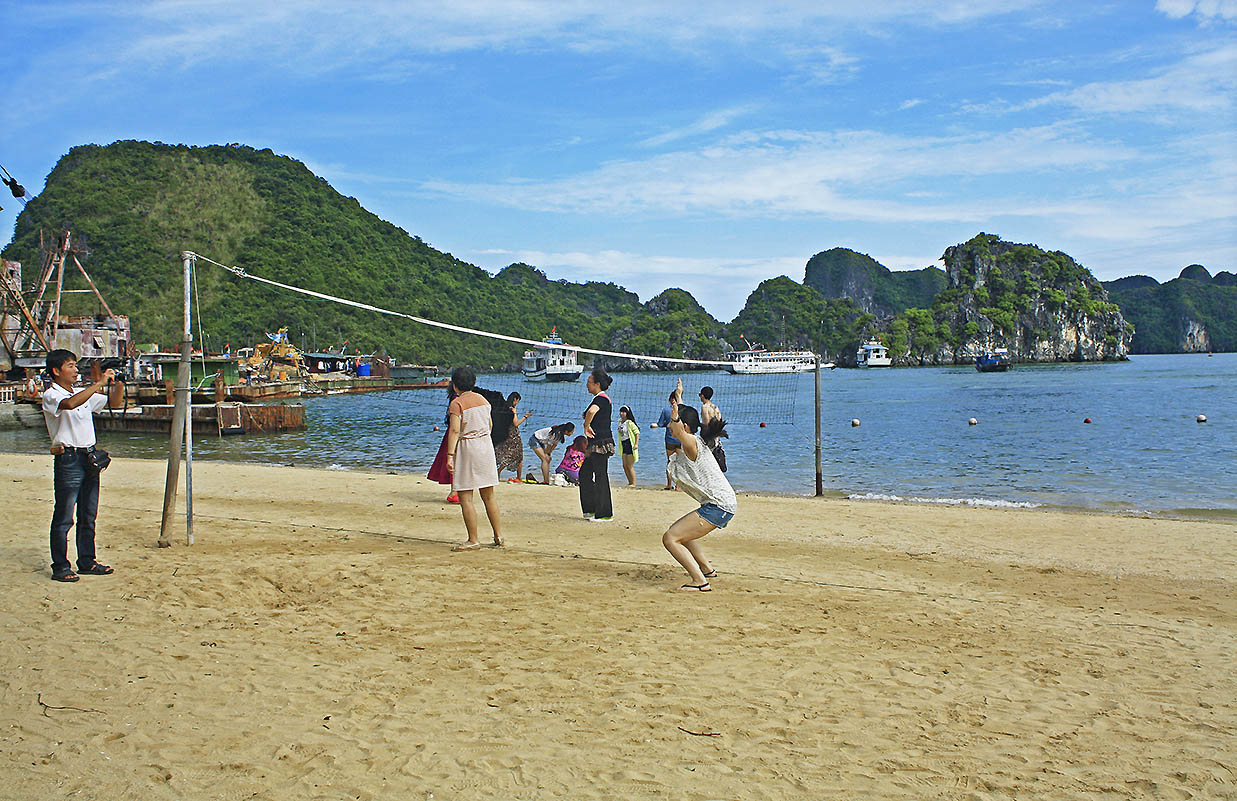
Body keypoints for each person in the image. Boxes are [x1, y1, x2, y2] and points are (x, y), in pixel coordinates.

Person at [41, 349, 117, 582]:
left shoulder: (81, 392)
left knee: (88, 514)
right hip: (69, 459)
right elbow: (71, 404)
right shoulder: (52, 395)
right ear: (56, 371)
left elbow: (114, 402)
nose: (76, 370)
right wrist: (98, 383)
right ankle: (61, 566)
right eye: (71, 366)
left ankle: (87, 561)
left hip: (89, 457)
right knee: (64, 516)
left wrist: (117, 383)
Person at [662, 398, 737, 592]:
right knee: (681, 534)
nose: (669, 426)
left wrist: (675, 415)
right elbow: (680, 430)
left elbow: (679, 431)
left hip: (719, 506)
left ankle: (700, 581)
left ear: (684, 426)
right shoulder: (693, 442)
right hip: (721, 504)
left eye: (672, 423)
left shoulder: (692, 442)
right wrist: (679, 398)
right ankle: (706, 568)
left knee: (670, 538)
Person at [444, 367, 502, 551]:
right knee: (489, 495)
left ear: (454, 385)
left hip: (468, 447)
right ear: (473, 383)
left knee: (466, 496)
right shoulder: (483, 400)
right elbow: (490, 424)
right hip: (485, 446)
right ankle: (498, 535)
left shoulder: (457, 403)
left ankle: (473, 539)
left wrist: (450, 455)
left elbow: (454, 430)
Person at [579, 367, 615, 521]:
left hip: (601, 444)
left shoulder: (601, 399)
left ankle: (605, 513)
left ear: (597, 384)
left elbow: (592, 412)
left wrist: (586, 426)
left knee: (600, 476)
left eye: (589, 382)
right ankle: (590, 510)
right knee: (584, 474)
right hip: (594, 444)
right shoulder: (598, 399)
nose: (587, 385)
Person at [427, 384, 460, 503]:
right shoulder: (456, 400)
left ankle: (455, 491)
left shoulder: (455, 398)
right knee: (455, 462)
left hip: (453, 433)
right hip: (454, 434)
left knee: (456, 463)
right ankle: (454, 492)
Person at [495, 391, 532, 483]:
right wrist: (525, 417)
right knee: (519, 456)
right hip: (514, 435)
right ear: (515, 400)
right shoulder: (512, 410)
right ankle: (517, 477)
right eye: (517, 401)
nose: (517, 403)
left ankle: (499, 471)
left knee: (510, 455)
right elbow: (515, 424)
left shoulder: (504, 408)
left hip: (505, 434)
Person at [656, 379, 684, 489]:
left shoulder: (666, 410)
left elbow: (660, 424)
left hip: (670, 439)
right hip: (681, 439)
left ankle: (669, 484)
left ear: (671, 399)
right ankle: (678, 486)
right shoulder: (683, 409)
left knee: (669, 462)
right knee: (680, 463)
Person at [698, 386, 728, 473]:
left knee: (707, 464)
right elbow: (719, 422)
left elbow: (706, 424)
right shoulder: (716, 407)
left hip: (709, 438)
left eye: (700, 394)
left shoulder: (704, 407)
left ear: (702, 396)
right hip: (717, 438)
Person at [618, 405, 640, 486]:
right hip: (623, 444)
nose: (621, 413)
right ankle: (629, 482)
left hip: (629, 444)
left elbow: (637, 432)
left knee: (630, 466)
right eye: (621, 412)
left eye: (623, 412)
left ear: (627, 413)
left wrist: (636, 444)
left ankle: (633, 483)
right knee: (624, 465)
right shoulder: (619, 422)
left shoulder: (629, 423)